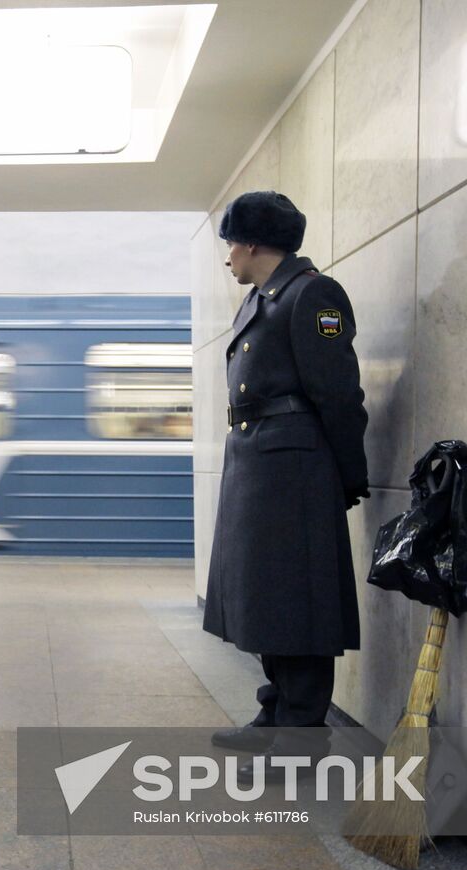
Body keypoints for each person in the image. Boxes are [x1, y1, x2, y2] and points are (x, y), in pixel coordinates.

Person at [201, 191, 369, 780]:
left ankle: (302, 737)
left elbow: (339, 394)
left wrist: (348, 473)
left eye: (230, 244)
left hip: (295, 468)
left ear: (250, 243)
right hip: (261, 466)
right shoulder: (263, 299)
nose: (227, 256)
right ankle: (276, 714)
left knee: (298, 602)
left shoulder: (312, 294)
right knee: (268, 597)